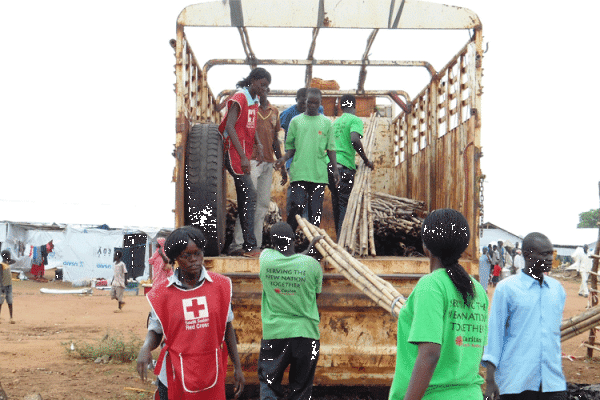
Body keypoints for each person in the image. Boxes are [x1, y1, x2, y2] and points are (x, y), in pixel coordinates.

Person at [388, 209, 488, 399]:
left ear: (425, 246)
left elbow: (430, 354)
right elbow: (474, 351)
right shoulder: (477, 290)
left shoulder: (431, 285)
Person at [137, 226, 245, 400]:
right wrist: (145, 348)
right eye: (187, 256)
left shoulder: (220, 286)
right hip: (173, 374)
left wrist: (238, 368)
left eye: (198, 253)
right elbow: (156, 331)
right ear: (176, 258)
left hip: (211, 372)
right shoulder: (161, 294)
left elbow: (227, 328)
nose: (194, 260)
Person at [483, 232, 567, 400]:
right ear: (527, 255)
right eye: (545, 254)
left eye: (551, 253)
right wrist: (490, 379)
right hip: (516, 382)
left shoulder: (557, 290)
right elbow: (495, 335)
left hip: (552, 383)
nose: (550, 258)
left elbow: (553, 336)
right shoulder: (506, 289)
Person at [258, 222, 323, 400]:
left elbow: (286, 259)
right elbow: (313, 298)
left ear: (272, 242)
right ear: (294, 239)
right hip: (306, 334)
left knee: (269, 383)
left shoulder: (265, 258)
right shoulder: (312, 265)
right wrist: (310, 249)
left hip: (275, 333)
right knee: (301, 389)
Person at [219, 67, 271, 257]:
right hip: (233, 153)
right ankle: (250, 246)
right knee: (250, 195)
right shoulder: (240, 97)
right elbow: (230, 126)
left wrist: (258, 143)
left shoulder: (254, 99)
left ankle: (241, 246)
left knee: (247, 197)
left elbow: (253, 123)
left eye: (267, 86)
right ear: (253, 80)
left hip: (243, 152)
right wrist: (242, 156)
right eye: (262, 84)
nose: (265, 89)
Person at [274, 88, 340, 234]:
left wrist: (335, 169)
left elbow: (331, 148)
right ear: (305, 102)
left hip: (318, 174)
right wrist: (283, 159)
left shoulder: (326, 123)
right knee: (296, 206)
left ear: (320, 104)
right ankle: (290, 238)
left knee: (315, 212)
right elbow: (291, 148)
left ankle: (312, 247)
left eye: (315, 103)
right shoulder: (295, 121)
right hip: (299, 172)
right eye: (309, 102)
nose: (311, 105)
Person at [230, 87, 286, 254]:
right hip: (252, 161)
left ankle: (255, 246)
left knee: (262, 205)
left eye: (265, 88)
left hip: (268, 162)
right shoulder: (250, 109)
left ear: (268, 90)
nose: (262, 91)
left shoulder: (274, 111)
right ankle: (237, 245)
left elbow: (275, 139)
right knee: (248, 203)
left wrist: (281, 165)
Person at [327, 94, 374, 238]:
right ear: (355, 106)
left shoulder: (334, 123)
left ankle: (338, 239)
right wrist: (366, 160)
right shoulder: (355, 120)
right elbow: (354, 139)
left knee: (336, 204)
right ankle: (342, 241)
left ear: (340, 107)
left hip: (330, 167)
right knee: (344, 205)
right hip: (344, 168)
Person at [279, 88, 324, 219]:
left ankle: (307, 226)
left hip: (312, 157)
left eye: (308, 102)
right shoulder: (288, 115)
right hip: (294, 159)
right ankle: (297, 222)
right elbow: (284, 136)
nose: (306, 106)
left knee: (312, 193)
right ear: (296, 100)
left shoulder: (319, 111)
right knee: (297, 191)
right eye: (302, 103)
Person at [1, 250, 16, 324]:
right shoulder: (1, 265)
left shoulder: (7, 263)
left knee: (10, 302)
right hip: (3, 287)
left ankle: (11, 317)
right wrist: (2, 286)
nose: (10, 256)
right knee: (0, 302)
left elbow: (14, 261)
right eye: (9, 255)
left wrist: (8, 260)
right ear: (6, 256)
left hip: (9, 286)